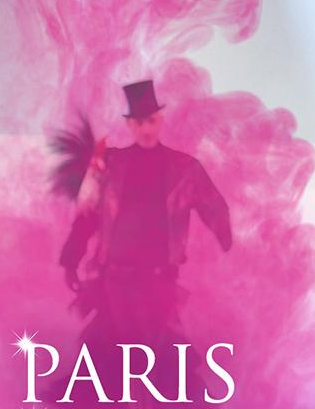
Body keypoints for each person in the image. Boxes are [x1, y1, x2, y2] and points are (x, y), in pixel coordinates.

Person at [55, 80, 233, 404]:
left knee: (162, 358)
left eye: (150, 120)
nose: (145, 129)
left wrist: (225, 238)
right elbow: (88, 215)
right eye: (138, 122)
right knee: (106, 359)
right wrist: (71, 259)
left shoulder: (184, 168)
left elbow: (214, 206)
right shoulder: (110, 165)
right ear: (129, 125)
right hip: (114, 281)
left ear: (160, 120)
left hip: (158, 281)